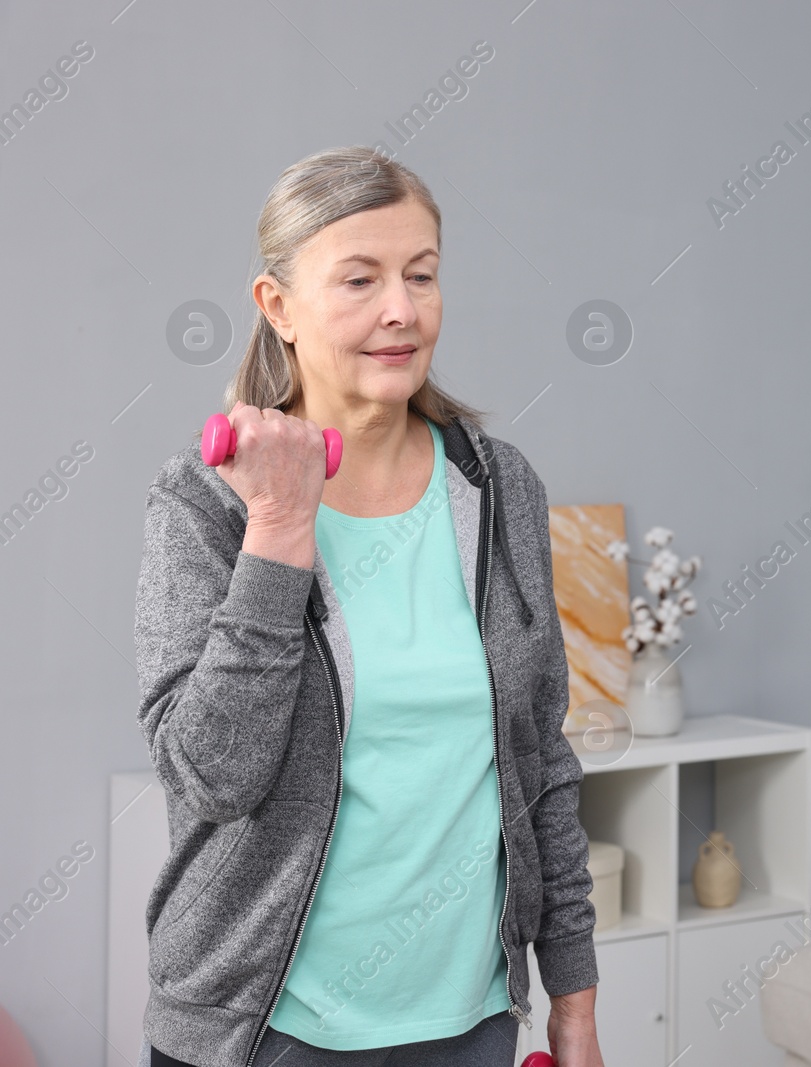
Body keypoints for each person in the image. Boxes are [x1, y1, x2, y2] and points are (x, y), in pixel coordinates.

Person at [133, 147, 605, 1067]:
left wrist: (573, 1000)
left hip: (467, 1023)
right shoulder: (206, 500)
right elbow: (209, 775)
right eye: (360, 279)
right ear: (278, 306)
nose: (402, 308)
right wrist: (277, 528)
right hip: (261, 1031)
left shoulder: (500, 489)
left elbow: (541, 759)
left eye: (420, 275)